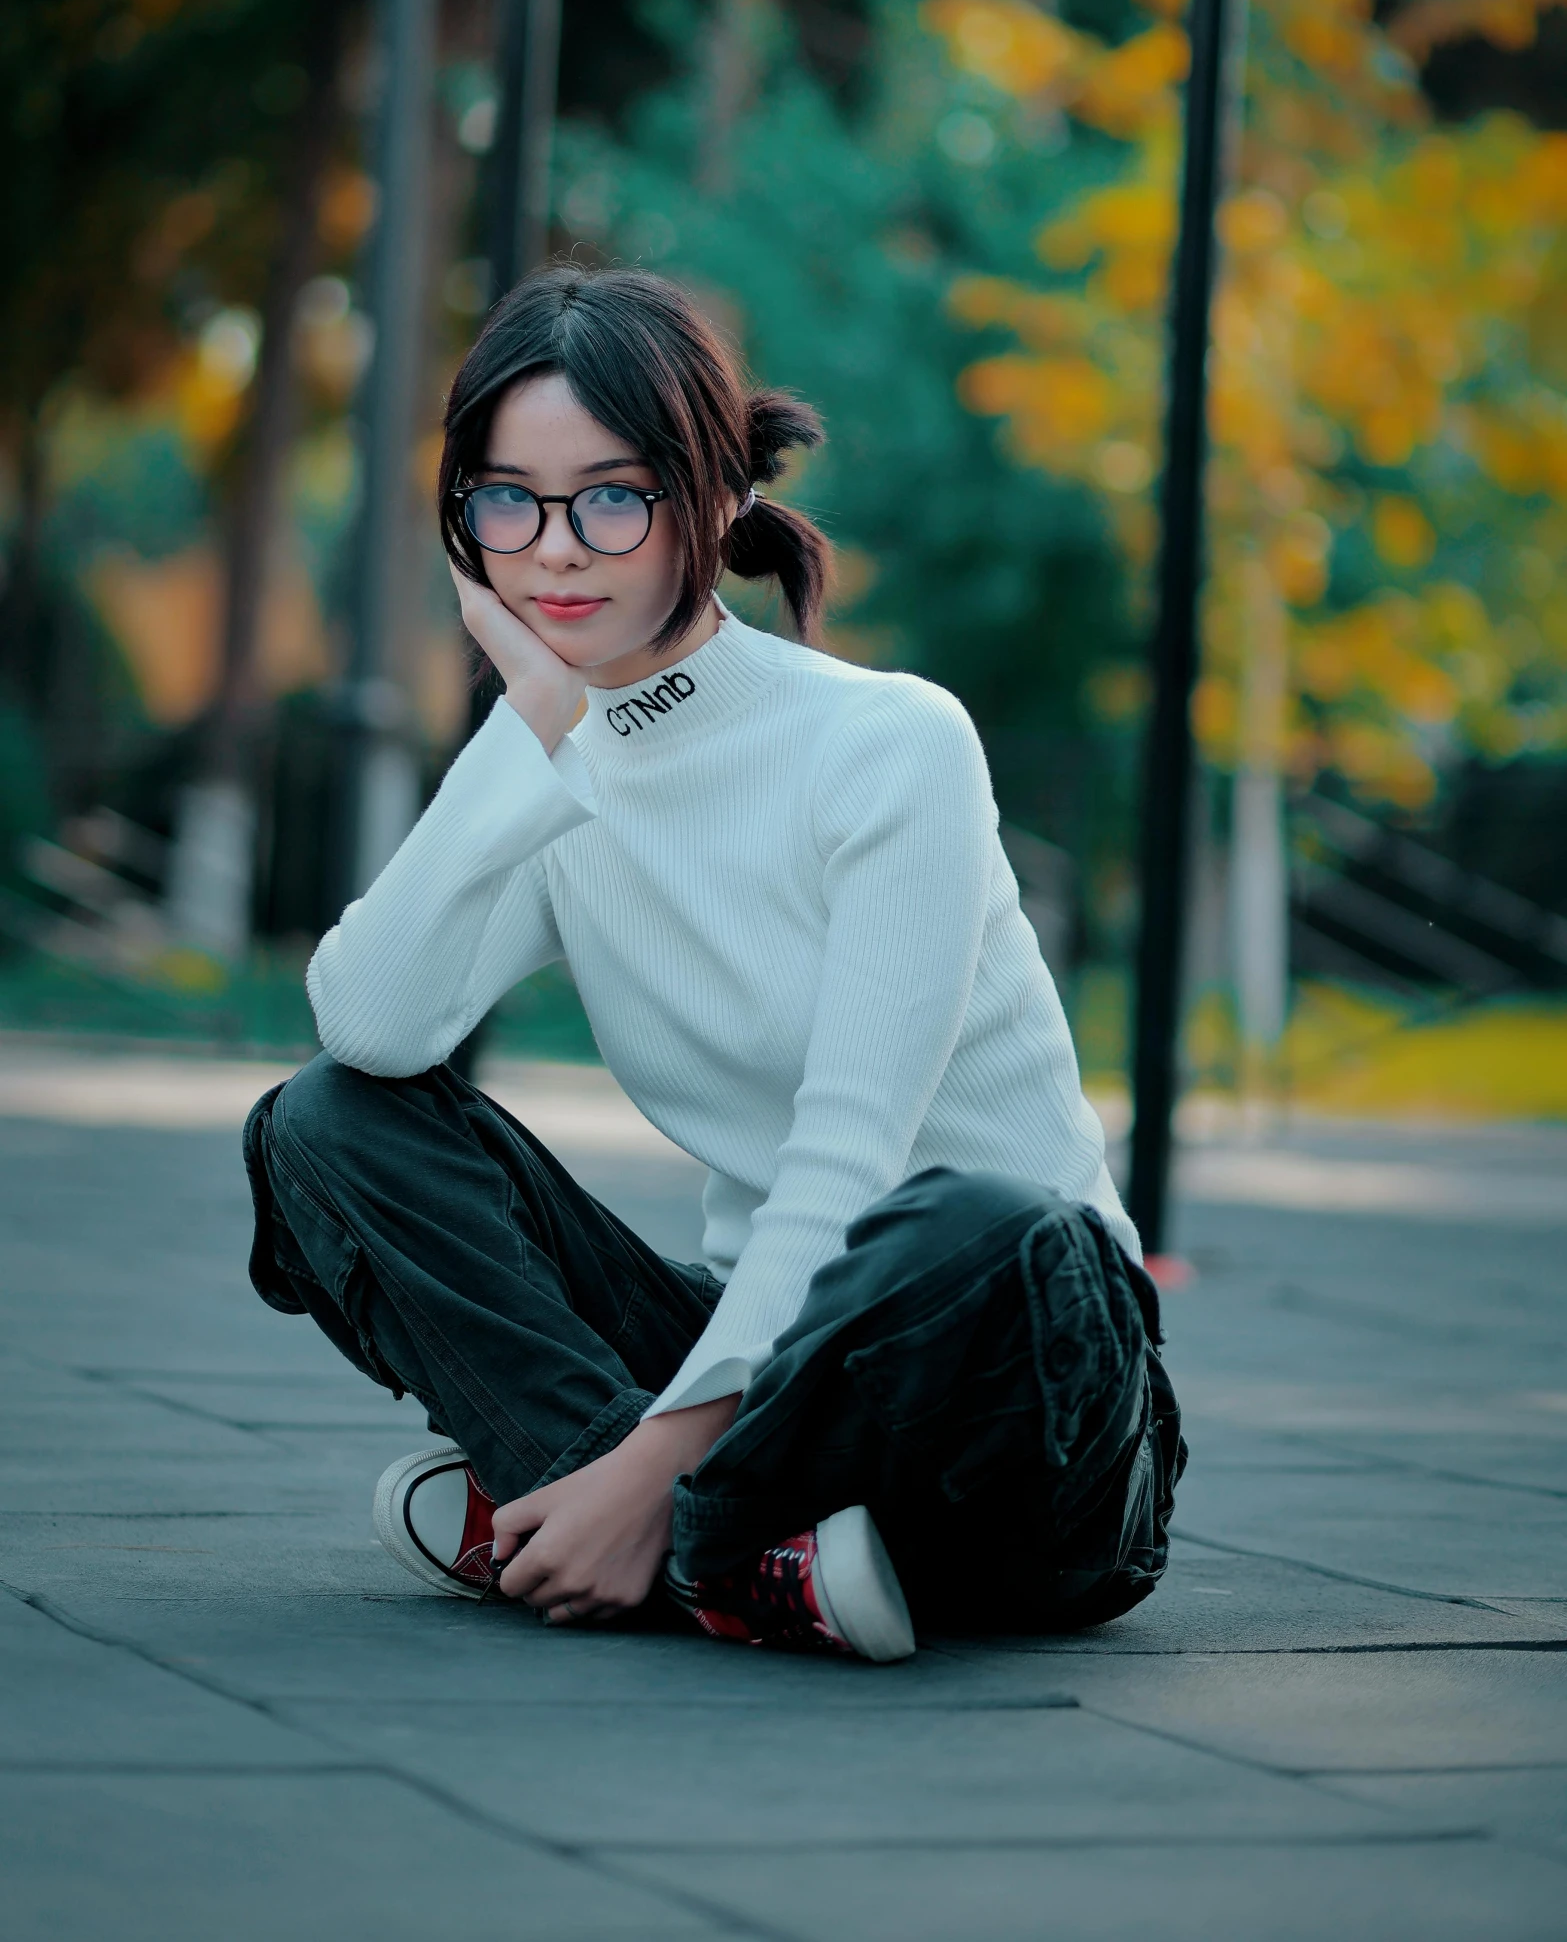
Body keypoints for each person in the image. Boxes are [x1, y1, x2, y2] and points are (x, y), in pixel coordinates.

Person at [243, 263, 1184, 1662]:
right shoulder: (554, 764)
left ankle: (613, 1515)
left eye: (610, 497)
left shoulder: (890, 742)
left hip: (1023, 1394)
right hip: (755, 1374)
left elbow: (848, 1155)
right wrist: (529, 726)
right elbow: (372, 1028)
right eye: (507, 499)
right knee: (319, 1122)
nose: (554, 548)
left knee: (978, 1218)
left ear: (714, 497)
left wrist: (651, 1464)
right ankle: (732, 1550)